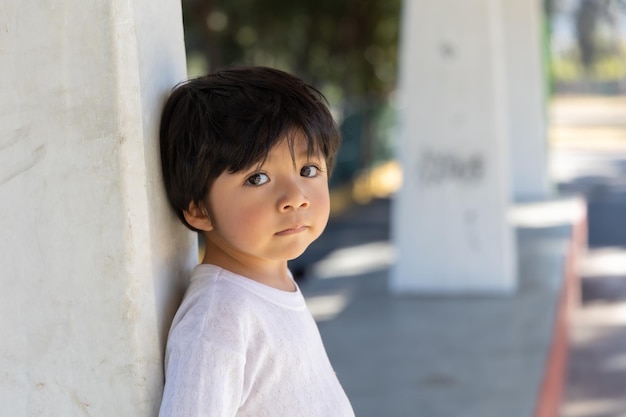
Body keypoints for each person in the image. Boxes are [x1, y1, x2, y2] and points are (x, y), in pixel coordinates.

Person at [157, 66, 355, 417]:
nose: (295, 197)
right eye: (258, 178)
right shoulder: (219, 319)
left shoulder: (269, 282)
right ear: (200, 209)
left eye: (308, 170)